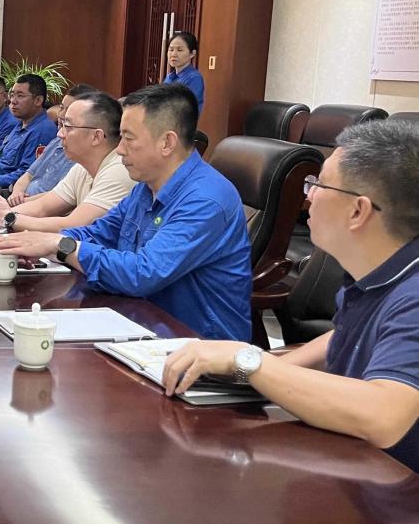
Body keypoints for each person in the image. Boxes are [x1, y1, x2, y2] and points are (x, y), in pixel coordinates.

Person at [163, 120, 419, 471]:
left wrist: (250, 362)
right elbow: (344, 338)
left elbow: (385, 417)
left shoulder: (413, 295)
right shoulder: (374, 272)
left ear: (358, 211)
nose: (307, 195)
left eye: (319, 184)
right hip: (356, 467)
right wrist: (245, 371)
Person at [0, 83, 252, 341]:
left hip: (197, 345)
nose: (119, 149)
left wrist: (60, 245)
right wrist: (42, 245)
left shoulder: (205, 200)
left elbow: (143, 273)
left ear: (167, 143)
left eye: (128, 138)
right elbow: (98, 233)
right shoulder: (146, 187)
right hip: (141, 323)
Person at [0, 90, 135, 232]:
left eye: (68, 126)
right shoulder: (82, 167)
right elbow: (42, 207)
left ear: (96, 136)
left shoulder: (119, 171)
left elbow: (75, 225)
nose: (60, 134)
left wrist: (7, 217)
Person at [4, 84, 97, 205]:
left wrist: (20, 202)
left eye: (69, 110)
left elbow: (60, 196)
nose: (61, 115)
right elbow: (28, 174)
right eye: (61, 108)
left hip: (35, 206)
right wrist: (16, 194)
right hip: (18, 198)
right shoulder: (56, 140)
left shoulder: (84, 154)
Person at [0, 74, 59, 193]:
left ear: (38, 100)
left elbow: (27, 173)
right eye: (12, 95)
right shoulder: (20, 124)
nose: (13, 101)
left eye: (20, 96)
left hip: (0, 190)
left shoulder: (42, 130)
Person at [164, 31, 205, 114]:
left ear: (192, 53)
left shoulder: (194, 78)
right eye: (171, 49)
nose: (173, 54)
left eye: (180, 50)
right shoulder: (169, 77)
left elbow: (185, 108)